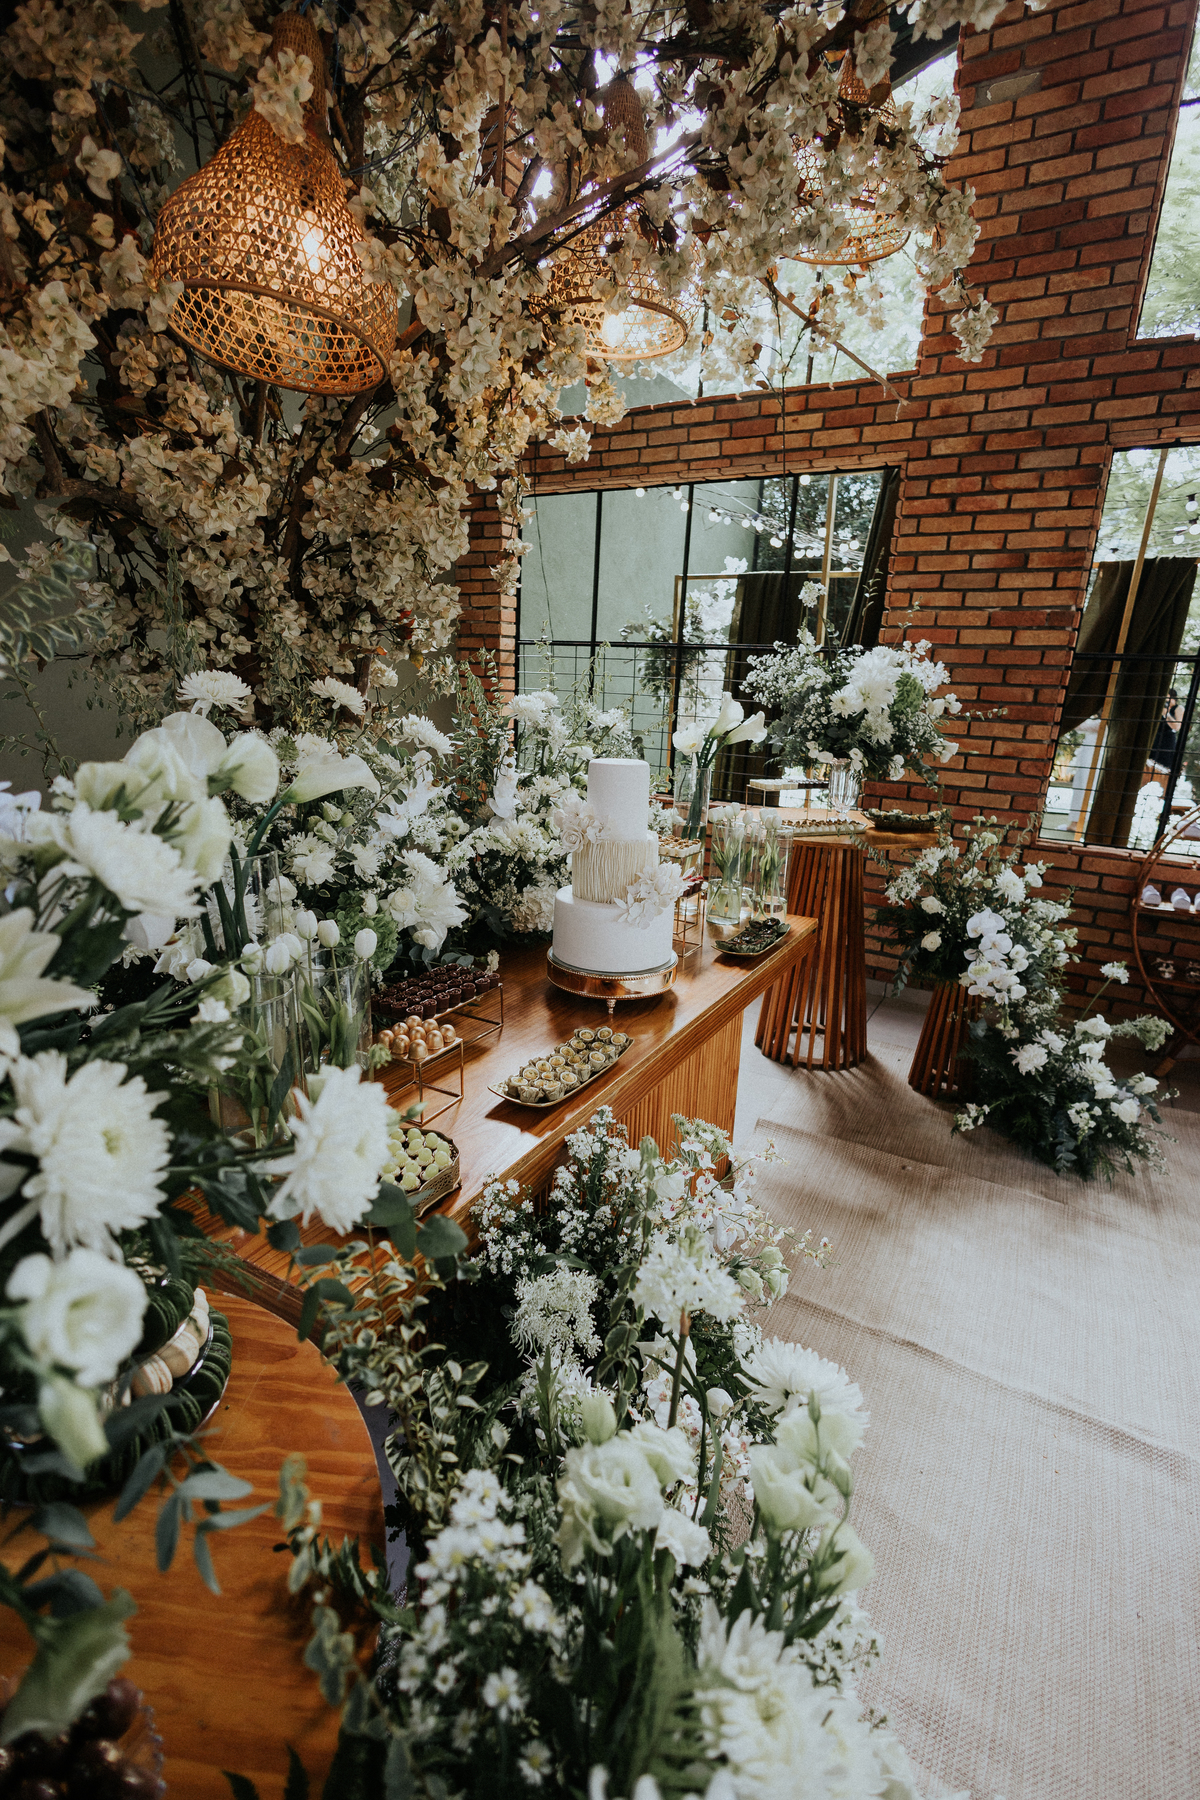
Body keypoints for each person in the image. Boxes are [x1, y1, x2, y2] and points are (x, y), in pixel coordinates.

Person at [1149, 687, 1185, 773]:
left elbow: (1177, 726)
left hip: (1167, 739)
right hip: (1156, 736)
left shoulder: (1178, 708)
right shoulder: (1162, 706)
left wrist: (1166, 714)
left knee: (1163, 765)